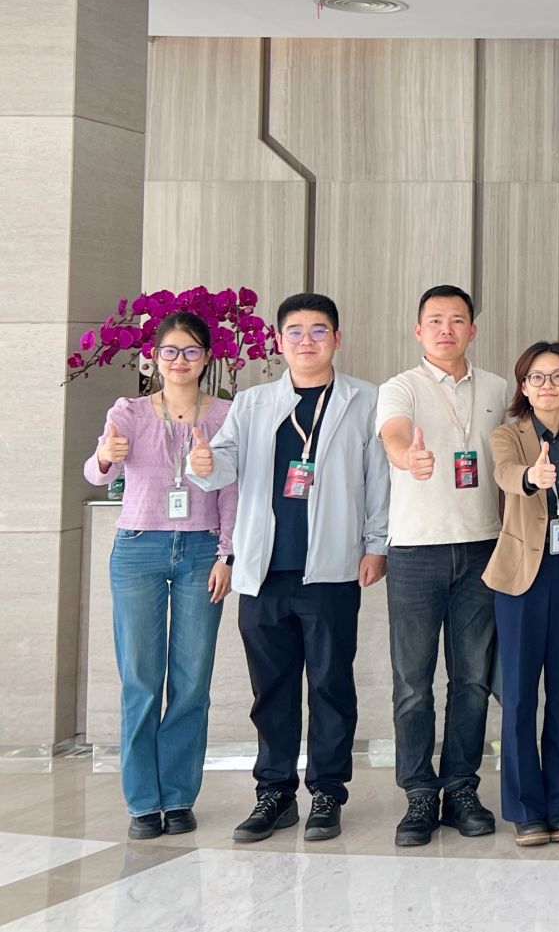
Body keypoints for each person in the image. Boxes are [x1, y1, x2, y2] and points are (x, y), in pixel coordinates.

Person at [188, 293, 389, 843]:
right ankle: (274, 792)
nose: (306, 340)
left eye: (319, 330)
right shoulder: (251, 403)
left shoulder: (365, 399)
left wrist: (377, 544)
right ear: (279, 342)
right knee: (271, 689)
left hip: (331, 570)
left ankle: (327, 792)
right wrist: (204, 463)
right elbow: (221, 465)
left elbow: (378, 478)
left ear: (337, 339)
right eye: (295, 331)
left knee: (331, 685)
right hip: (263, 571)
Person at [84, 312, 238, 840]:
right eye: (170, 351)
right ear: (153, 358)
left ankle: (178, 796)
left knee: (191, 681)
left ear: (207, 358)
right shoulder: (127, 411)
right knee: (141, 679)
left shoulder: (224, 415)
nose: (180, 361)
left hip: (201, 551)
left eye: (191, 351)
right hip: (138, 548)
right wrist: (105, 456)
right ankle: (142, 801)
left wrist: (227, 555)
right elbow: (95, 469)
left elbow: (233, 492)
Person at [374, 285, 512, 847]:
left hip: (482, 549)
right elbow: (393, 435)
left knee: (472, 679)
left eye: (457, 320)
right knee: (413, 682)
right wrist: (407, 455)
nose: (446, 329)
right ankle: (417, 792)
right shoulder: (400, 387)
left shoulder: (498, 388)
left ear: (472, 330)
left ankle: (460, 787)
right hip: (416, 551)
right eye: (435, 320)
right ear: (418, 330)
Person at [487, 341, 559, 848]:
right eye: (537, 377)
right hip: (520, 578)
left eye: (558, 376)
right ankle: (524, 808)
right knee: (518, 696)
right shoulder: (507, 434)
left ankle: (558, 805)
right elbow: (503, 475)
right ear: (524, 386)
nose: (548, 385)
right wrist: (532, 477)